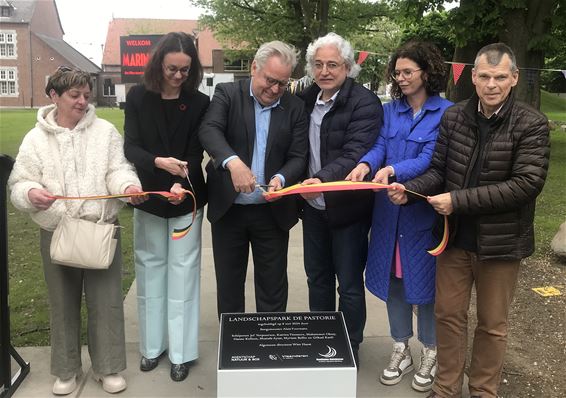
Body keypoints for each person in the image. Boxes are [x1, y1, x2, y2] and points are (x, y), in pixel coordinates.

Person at [388, 43, 550, 398]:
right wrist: (410, 188)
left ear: (514, 79)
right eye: (486, 76)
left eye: (501, 77)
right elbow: (440, 171)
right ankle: (446, 389)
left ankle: (483, 391)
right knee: (448, 317)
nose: (492, 85)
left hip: (501, 244)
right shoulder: (455, 116)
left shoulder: (531, 123)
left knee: (492, 325)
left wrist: (457, 201)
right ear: (473, 77)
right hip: (454, 239)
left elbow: (526, 184)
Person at [8, 67, 144, 395]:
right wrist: (29, 193)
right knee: (62, 302)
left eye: (86, 95)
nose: (83, 101)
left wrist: (128, 186)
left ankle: (107, 368)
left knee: (107, 302)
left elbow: (118, 169)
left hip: (100, 230)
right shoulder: (35, 139)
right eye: (74, 95)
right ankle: (66, 369)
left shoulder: (106, 132)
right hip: (56, 230)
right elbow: (19, 181)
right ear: (53, 96)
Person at [347, 41, 452, 391]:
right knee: (393, 282)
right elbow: (379, 144)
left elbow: (431, 158)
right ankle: (400, 347)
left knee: (424, 288)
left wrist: (393, 168)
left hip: (420, 215)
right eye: (398, 72)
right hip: (387, 215)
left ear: (427, 72)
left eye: (409, 72)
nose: (402, 78)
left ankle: (431, 351)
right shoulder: (389, 110)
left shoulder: (447, 113)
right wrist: (366, 164)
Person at [123, 32, 210, 382]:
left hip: (185, 199)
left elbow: (194, 151)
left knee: (184, 275)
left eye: (185, 70)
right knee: (150, 272)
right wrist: (159, 164)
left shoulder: (200, 102)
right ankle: (152, 347)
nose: (178, 76)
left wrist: (181, 183)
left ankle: (181, 353)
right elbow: (131, 147)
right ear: (159, 63)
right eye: (173, 68)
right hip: (149, 198)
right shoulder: (138, 97)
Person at [199, 41, 308, 316]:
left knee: (272, 288)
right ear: (254, 68)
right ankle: (234, 349)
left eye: (282, 84)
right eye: (270, 80)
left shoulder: (294, 107)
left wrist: (282, 178)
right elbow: (210, 130)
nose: (274, 90)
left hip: (272, 212)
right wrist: (233, 162)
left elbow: (298, 156)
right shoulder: (228, 93)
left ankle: (269, 350)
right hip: (229, 209)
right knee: (229, 286)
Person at [298, 32, 383, 365]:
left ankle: (350, 345)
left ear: (347, 66)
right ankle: (322, 341)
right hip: (313, 208)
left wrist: (320, 178)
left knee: (348, 283)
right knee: (317, 279)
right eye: (318, 64)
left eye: (332, 64)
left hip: (348, 210)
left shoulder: (364, 102)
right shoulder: (306, 99)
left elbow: (355, 152)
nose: (324, 71)